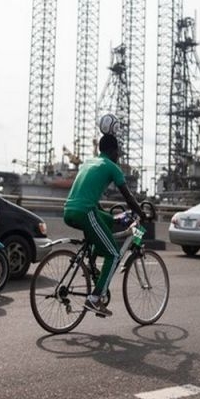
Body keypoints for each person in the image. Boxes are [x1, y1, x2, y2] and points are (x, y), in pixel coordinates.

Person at [63, 134, 146, 317]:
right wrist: (141, 213)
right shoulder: (112, 167)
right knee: (114, 254)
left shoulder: (88, 162)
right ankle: (94, 299)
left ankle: (93, 264)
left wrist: (108, 217)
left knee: (108, 220)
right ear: (114, 151)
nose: (119, 156)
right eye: (119, 153)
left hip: (69, 210)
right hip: (84, 212)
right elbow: (128, 197)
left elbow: (88, 194)